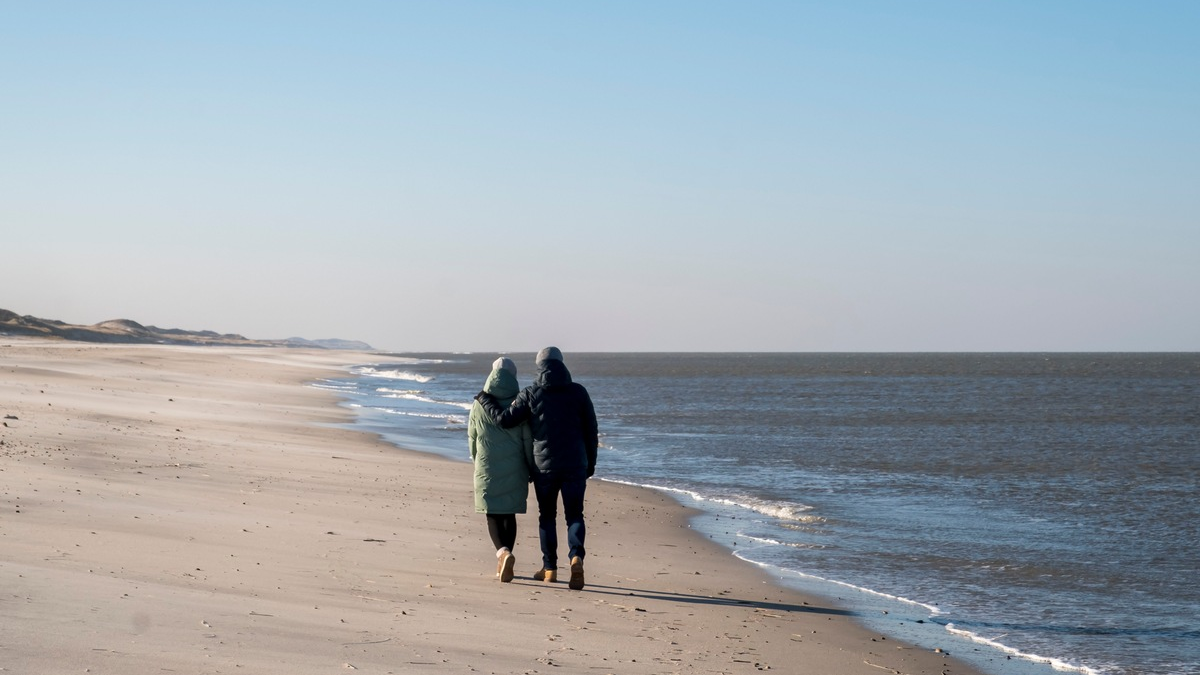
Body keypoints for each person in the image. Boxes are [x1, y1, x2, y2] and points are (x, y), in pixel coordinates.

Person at [474, 347, 598, 590]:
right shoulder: (579, 392)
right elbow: (590, 431)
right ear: (562, 365)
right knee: (575, 515)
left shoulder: (532, 393)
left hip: (544, 467)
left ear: (539, 366)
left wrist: (484, 398)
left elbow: (504, 420)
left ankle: (549, 568)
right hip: (575, 465)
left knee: (547, 516)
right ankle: (576, 558)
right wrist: (590, 463)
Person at [468, 357, 534, 583]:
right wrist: (529, 466)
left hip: (487, 465)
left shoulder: (479, 404)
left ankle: (503, 553)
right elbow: (527, 439)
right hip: (515, 467)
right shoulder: (520, 404)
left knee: (492, 513)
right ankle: (505, 558)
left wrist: (476, 460)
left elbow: (472, 436)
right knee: (509, 513)